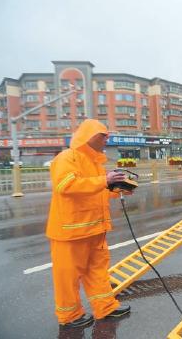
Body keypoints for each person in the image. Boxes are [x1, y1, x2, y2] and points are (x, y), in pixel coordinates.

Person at [46, 119, 131, 328]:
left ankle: (106, 307)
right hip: (70, 233)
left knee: (98, 272)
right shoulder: (67, 158)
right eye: (103, 135)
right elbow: (67, 186)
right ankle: (69, 316)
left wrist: (118, 188)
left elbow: (96, 192)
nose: (107, 139)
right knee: (68, 278)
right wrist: (105, 181)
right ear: (89, 136)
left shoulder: (95, 163)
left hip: (95, 230)